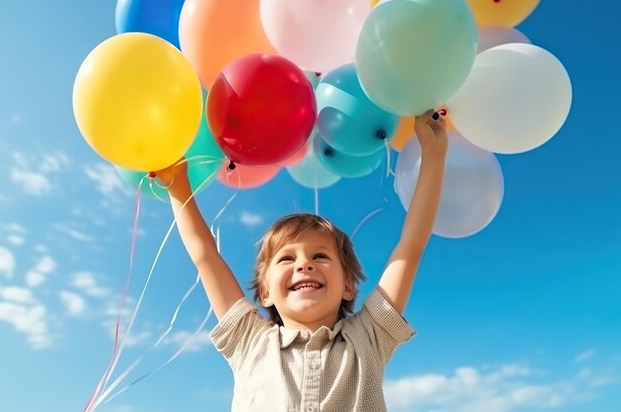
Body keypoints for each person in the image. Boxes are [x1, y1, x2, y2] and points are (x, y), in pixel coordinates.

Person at [156, 109, 447, 412]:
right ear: (265, 292)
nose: (303, 265)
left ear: (348, 285)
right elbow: (205, 256)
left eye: (320, 256)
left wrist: (435, 153)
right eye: (286, 258)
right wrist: (178, 187)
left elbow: (410, 247)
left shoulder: (369, 336)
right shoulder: (250, 342)